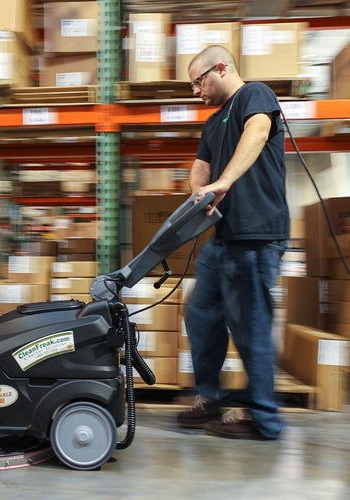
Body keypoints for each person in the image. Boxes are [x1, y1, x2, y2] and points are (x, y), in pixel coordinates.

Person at [176, 45, 290, 440]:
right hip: (223, 238)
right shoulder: (212, 122)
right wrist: (200, 191)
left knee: (251, 326)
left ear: (220, 68)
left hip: (257, 235)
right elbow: (201, 167)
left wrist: (225, 182)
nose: (195, 90)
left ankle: (264, 420)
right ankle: (210, 396)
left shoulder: (255, 94)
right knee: (200, 314)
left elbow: (258, 131)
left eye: (198, 80)